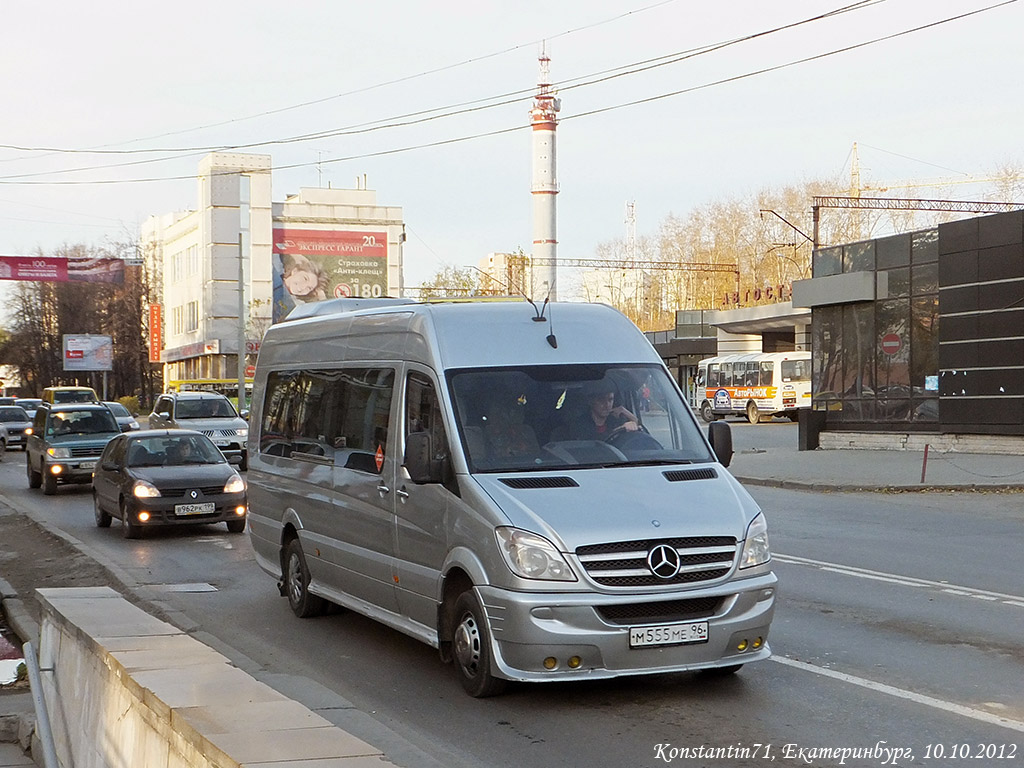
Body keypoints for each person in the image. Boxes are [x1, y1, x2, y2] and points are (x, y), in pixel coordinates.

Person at [570, 379, 640, 441]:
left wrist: (624, 411)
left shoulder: (616, 421)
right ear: (591, 401)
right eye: (601, 400)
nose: (607, 405)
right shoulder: (579, 424)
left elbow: (639, 430)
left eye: (610, 399)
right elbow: (595, 443)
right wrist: (620, 429)